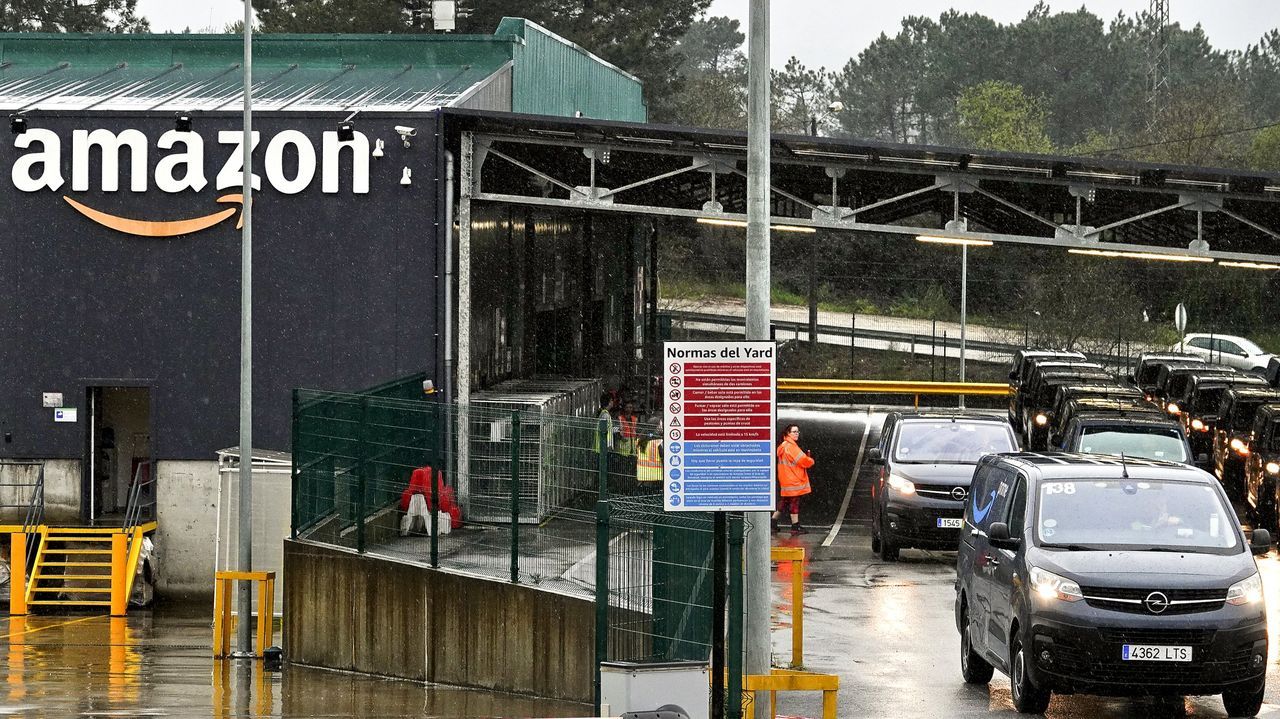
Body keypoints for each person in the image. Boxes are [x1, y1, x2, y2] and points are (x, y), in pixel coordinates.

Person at [774, 424, 815, 535]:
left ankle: (773, 522)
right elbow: (804, 461)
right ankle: (795, 527)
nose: (797, 433)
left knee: (785, 501)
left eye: (797, 431)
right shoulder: (792, 447)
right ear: (788, 433)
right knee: (794, 502)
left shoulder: (783, 445)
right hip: (794, 480)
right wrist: (810, 460)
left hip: (786, 479)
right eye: (794, 432)